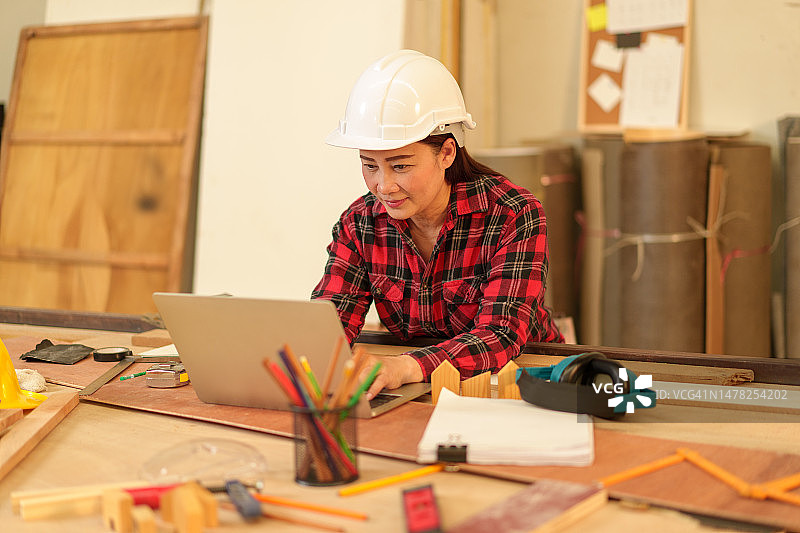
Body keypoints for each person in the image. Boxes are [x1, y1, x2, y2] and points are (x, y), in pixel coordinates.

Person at [312, 50, 563, 400]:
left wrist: (406, 367)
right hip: (424, 389)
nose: (383, 186)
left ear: (446, 153)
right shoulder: (359, 224)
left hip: (522, 382)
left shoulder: (513, 215)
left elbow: (500, 334)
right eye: (370, 166)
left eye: (400, 166)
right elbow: (328, 324)